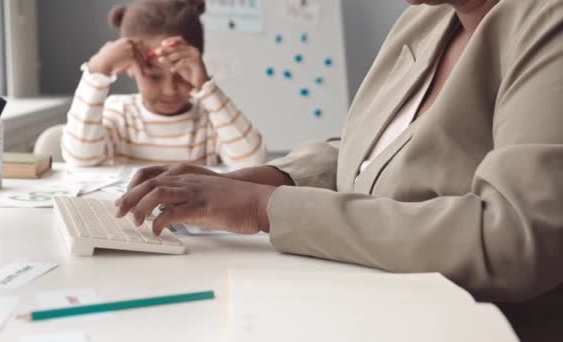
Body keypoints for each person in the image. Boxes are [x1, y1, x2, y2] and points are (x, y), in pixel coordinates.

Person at [116, 0, 563, 340]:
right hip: (377, 302)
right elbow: (363, 151)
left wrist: (267, 208)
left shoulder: (548, 22)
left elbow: (513, 238)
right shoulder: (426, 19)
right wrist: (256, 181)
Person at [61, 0, 266, 168]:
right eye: (154, 76)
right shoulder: (118, 113)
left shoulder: (211, 121)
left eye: (181, 75)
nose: (170, 90)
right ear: (130, 68)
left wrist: (205, 86)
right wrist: (98, 69)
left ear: (198, 65)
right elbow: (80, 158)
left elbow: (252, 163)